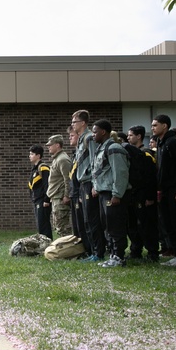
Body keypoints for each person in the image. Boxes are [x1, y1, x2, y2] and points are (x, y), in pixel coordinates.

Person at [152, 114, 176, 266]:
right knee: (169, 223)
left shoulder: (173, 142)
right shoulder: (161, 143)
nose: (153, 128)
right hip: (166, 190)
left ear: (165, 126)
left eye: (155, 125)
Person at [90, 121, 130, 268]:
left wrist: (117, 194)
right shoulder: (101, 148)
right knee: (107, 225)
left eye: (95, 132)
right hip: (103, 193)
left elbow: (120, 173)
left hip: (112, 194)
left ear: (104, 132)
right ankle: (113, 255)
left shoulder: (113, 148)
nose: (93, 135)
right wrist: (95, 187)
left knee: (115, 225)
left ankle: (119, 256)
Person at [72, 110, 104, 262]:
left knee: (92, 219)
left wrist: (94, 184)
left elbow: (94, 161)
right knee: (86, 220)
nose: (72, 125)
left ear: (83, 122)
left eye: (74, 122)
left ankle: (98, 252)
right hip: (82, 183)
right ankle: (92, 251)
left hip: (89, 182)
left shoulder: (89, 138)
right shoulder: (81, 139)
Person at [124, 125, 158, 261]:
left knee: (146, 225)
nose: (128, 138)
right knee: (132, 226)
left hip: (144, 196)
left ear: (139, 136)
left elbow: (150, 177)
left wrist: (150, 197)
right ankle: (135, 250)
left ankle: (152, 252)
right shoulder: (131, 153)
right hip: (133, 195)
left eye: (131, 135)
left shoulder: (147, 154)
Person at [45, 134, 73, 238]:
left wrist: (66, 195)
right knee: (58, 226)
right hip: (55, 197)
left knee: (63, 227)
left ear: (57, 145)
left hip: (60, 197)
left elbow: (68, 179)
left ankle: (69, 250)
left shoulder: (62, 159)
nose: (48, 147)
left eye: (50, 145)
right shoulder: (57, 159)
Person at [27, 145, 52, 238]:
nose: (30, 156)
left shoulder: (43, 167)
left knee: (43, 224)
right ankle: (43, 244)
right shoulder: (34, 168)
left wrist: (46, 199)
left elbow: (47, 184)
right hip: (36, 200)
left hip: (42, 200)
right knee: (40, 224)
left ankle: (47, 243)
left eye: (32, 154)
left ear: (38, 156)